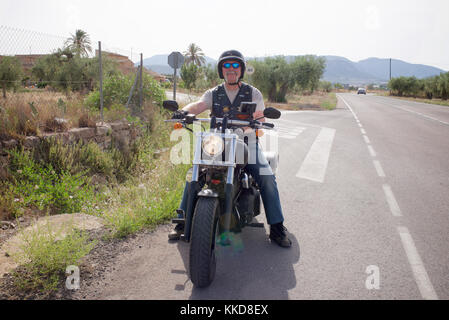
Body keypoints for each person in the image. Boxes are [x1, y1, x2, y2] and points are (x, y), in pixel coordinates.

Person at [168, 50, 292, 248]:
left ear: (241, 70)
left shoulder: (253, 93)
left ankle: (277, 227)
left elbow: (260, 117)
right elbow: (198, 105)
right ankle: (182, 222)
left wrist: (247, 127)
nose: (231, 69)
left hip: (247, 143)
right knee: (193, 173)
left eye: (235, 66)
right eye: (227, 66)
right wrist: (183, 112)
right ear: (221, 70)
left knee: (267, 177)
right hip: (217, 143)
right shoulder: (214, 93)